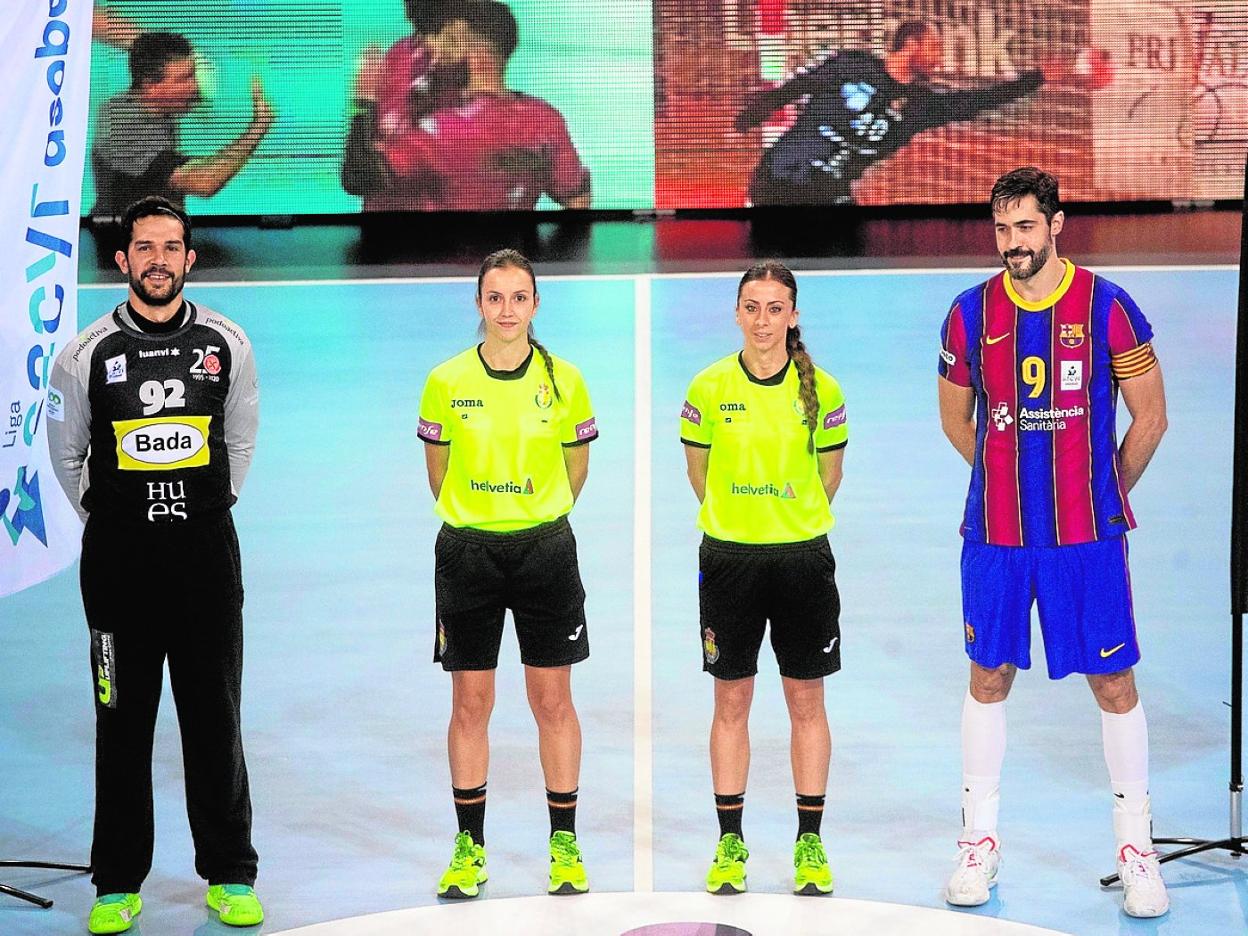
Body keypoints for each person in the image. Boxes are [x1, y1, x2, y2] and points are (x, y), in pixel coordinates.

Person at [936, 167, 1170, 917]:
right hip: (999, 537)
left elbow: (1151, 418)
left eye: (1026, 228)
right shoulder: (968, 314)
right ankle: (979, 844)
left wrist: (1103, 493)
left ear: (1057, 223)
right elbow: (955, 419)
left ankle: (1137, 849)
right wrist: (1011, 478)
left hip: (1086, 540)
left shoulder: (1109, 307)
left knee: (1114, 684)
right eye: (1002, 230)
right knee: (989, 677)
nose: (1014, 245)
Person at [46, 197, 263, 934]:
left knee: (215, 719)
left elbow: (239, 448)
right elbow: (67, 454)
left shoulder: (226, 342)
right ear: (123, 259)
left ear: (190, 258)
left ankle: (230, 872)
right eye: (146, 248)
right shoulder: (86, 354)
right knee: (122, 720)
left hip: (205, 560)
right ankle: (116, 883)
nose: (159, 259)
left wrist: (194, 511)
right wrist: (114, 519)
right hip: (118, 567)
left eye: (172, 246)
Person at [417, 249, 599, 899]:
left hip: (545, 551)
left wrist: (535, 512)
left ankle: (565, 844)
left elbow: (576, 468)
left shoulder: (565, 380)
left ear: (536, 305)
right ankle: (469, 847)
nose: (507, 310)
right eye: (495, 297)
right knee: (471, 702)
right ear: (478, 305)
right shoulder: (445, 381)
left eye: (519, 297)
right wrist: (483, 514)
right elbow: (437, 471)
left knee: (553, 701)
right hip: (468, 554)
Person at [680, 262, 849, 896]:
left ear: (793, 316)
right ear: (736, 313)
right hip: (730, 562)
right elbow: (699, 475)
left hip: (803, 561)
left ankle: (809, 843)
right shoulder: (707, 387)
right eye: (751, 307)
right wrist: (742, 519)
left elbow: (829, 478)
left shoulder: (823, 392)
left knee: (807, 704)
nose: (762, 320)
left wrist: (785, 518)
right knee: (732, 703)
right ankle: (730, 843)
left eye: (775, 308)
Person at [737, 21, 1066, 206]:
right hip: (779, 179)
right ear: (911, 44)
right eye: (934, 47)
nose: (938, 58)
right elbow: (799, 85)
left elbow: (980, 100)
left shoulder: (922, 105)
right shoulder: (853, 64)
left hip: (829, 194)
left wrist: (1036, 79)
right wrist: (756, 111)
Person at [351, 1, 590, 211]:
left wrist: (362, 105)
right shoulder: (543, 118)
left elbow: (359, 176)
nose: (426, 42)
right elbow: (575, 194)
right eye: (421, 27)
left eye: (435, 30)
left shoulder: (448, 129)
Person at [91, 31, 275, 220]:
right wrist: (258, 127)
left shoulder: (158, 105)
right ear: (150, 86)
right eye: (185, 79)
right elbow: (205, 183)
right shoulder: (124, 130)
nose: (195, 87)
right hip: (121, 241)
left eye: (194, 75)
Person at [342, 1, 466, 211]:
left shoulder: (462, 66)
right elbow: (362, 167)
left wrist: (362, 103)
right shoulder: (399, 53)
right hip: (382, 216)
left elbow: (358, 177)